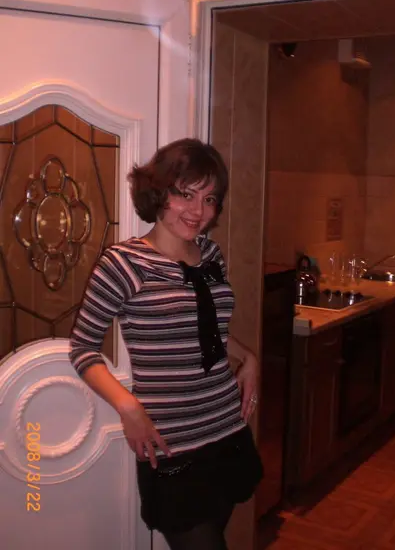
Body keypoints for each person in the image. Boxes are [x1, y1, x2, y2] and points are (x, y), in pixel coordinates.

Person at [69, 138, 263, 550]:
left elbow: (208, 330)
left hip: (227, 429)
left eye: (209, 199)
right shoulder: (123, 263)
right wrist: (128, 407)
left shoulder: (211, 254)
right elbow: (83, 348)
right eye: (185, 194)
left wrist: (249, 357)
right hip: (173, 445)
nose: (198, 211)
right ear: (159, 192)